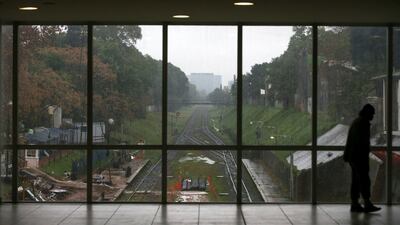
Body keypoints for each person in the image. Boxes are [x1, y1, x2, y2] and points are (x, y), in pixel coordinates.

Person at [344, 104, 381, 213]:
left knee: (356, 180)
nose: (373, 116)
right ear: (367, 113)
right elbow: (362, 142)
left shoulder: (357, 122)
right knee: (364, 180)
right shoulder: (363, 124)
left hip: (353, 156)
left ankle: (355, 203)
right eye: (372, 114)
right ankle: (367, 202)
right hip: (359, 157)